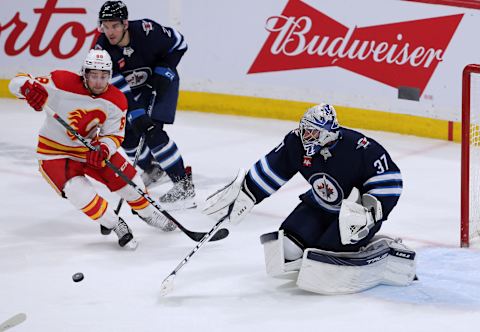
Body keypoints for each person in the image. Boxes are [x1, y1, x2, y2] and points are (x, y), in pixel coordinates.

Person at [203, 103, 416, 294]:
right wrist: (247, 193)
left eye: (312, 132)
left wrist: (370, 211)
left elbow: (390, 179)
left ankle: (377, 245)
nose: (306, 135)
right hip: (319, 205)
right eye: (305, 129)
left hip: (351, 215)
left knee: (328, 252)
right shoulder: (296, 143)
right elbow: (273, 167)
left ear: (327, 134)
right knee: (287, 248)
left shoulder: (360, 147)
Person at [8, 49, 176, 250]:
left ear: (110, 76)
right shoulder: (61, 82)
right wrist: (26, 89)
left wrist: (104, 148)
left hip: (90, 149)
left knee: (131, 182)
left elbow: (114, 135)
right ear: (84, 73)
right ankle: (115, 224)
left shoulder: (117, 100)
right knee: (77, 191)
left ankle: (149, 214)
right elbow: (17, 82)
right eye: (93, 75)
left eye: (104, 76)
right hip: (54, 153)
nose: (98, 81)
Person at [94, 0, 195, 209]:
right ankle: (152, 169)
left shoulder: (148, 31)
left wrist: (165, 68)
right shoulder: (101, 50)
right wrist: (135, 112)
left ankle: (183, 184)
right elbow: (115, 87)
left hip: (160, 83)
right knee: (127, 135)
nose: (110, 31)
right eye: (106, 25)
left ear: (125, 24)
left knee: (151, 130)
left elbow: (180, 43)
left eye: (115, 25)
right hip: (131, 91)